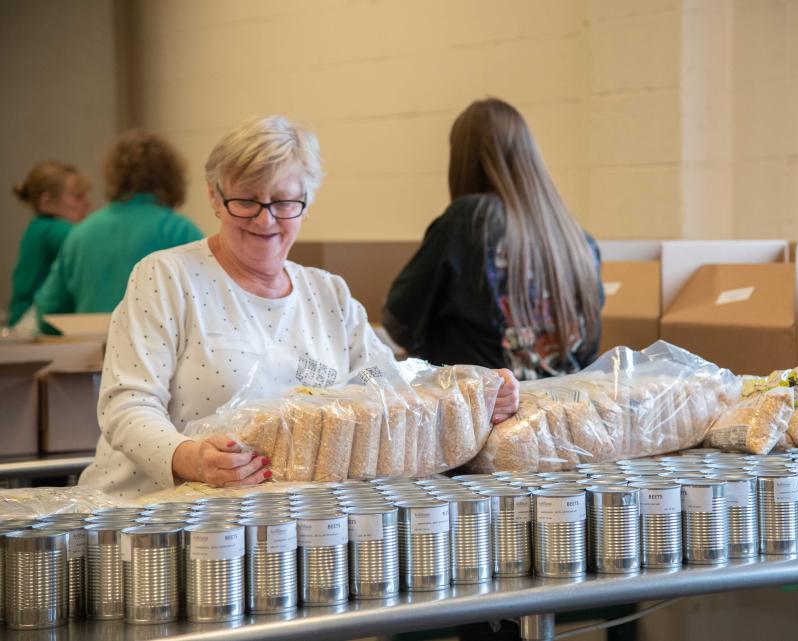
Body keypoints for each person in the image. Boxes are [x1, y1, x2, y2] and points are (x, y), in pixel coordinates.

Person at [78, 115, 519, 499]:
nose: (265, 219)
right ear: (215, 197)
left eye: (284, 202)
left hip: (277, 530)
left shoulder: (328, 296)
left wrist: (471, 392)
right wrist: (187, 458)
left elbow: (383, 388)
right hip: (152, 519)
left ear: (305, 204)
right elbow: (127, 405)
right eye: (246, 200)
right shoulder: (167, 278)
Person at [383, 98, 603, 381]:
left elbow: (398, 318)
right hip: (561, 414)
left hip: (486, 414)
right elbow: (589, 347)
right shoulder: (580, 242)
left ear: (464, 161)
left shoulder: (469, 219)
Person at [33, 131, 203, 329]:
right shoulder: (179, 231)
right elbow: (211, 303)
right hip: (158, 354)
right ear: (173, 177)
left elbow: (47, 310)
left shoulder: (80, 234)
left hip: (92, 354)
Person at [8, 161, 91, 326]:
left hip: (21, 320)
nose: (87, 203)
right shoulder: (57, 231)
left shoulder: (38, 228)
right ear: (47, 202)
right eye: (77, 196)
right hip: (34, 324)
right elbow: (90, 248)